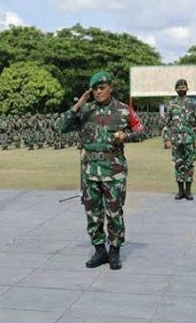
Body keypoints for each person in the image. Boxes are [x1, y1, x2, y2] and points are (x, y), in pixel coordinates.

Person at [59, 71, 145, 270]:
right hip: (90, 170)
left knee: (114, 211)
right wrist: (78, 104)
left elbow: (142, 130)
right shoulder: (86, 110)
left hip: (114, 170)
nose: (98, 92)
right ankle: (99, 250)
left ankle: (114, 251)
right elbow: (61, 126)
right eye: (95, 89)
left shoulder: (124, 110)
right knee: (93, 213)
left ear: (110, 88)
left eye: (102, 88)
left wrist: (127, 137)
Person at [162, 79, 196, 200]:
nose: (181, 89)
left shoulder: (193, 104)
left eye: (183, 87)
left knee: (189, 165)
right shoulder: (171, 104)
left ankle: (188, 191)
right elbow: (166, 123)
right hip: (176, 139)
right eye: (179, 87)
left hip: (189, 139)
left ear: (187, 88)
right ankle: (180, 191)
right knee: (178, 164)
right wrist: (167, 138)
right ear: (176, 90)